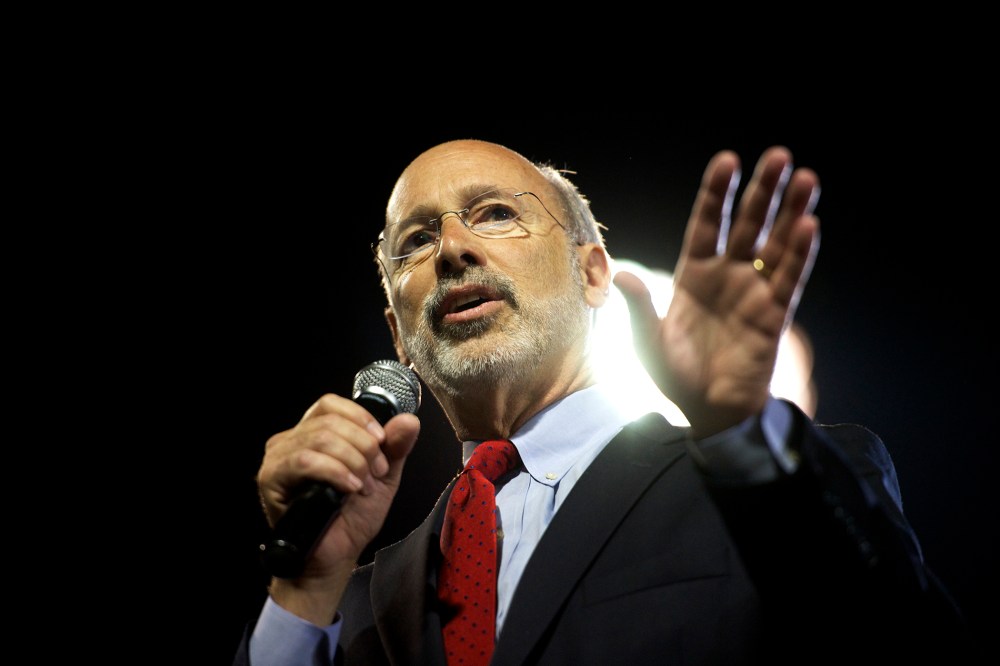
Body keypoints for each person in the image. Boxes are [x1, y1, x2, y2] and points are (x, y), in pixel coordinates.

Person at [233, 140, 971, 665]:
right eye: (416, 239)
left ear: (593, 274)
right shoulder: (350, 601)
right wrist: (305, 586)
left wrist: (742, 436)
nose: (454, 247)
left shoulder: (762, 484)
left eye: (493, 213)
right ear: (398, 331)